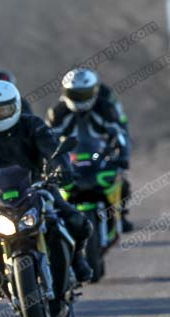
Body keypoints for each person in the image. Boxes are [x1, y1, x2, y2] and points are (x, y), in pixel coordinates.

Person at [0, 80, 94, 282]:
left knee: (77, 222)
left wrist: (62, 168)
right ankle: (2, 279)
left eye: (4, 109)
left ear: (16, 106)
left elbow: (53, 150)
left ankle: (77, 259)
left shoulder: (32, 124)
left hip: (37, 187)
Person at [45, 68, 133, 231]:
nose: (79, 99)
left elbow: (120, 132)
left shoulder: (105, 108)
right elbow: (46, 139)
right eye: (75, 94)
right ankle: (56, 222)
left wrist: (122, 155)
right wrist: (49, 160)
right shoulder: (57, 112)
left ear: (94, 91)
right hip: (71, 156)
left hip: (99, 153)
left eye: (83, 94)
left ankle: (120, 213)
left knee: (122, 181)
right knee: (51, 189)